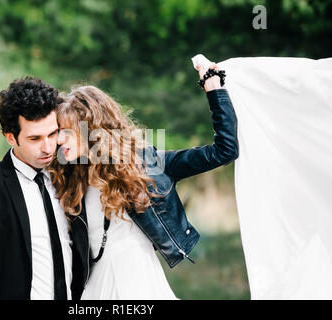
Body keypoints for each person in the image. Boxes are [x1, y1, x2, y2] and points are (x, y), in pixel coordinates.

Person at [49, 63, 239, 299]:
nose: (59, 139)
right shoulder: (69, 177)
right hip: (96, 285)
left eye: (67, 131)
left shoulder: (145, 165)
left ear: (92, 129)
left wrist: (213, 89)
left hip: (138, 282)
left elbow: (224, 151)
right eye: (57, 131)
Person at [0, 77, 88, 300]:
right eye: (35, 138)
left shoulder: (73, 175)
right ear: (11, 137)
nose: (48, 147)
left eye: (52, 134)